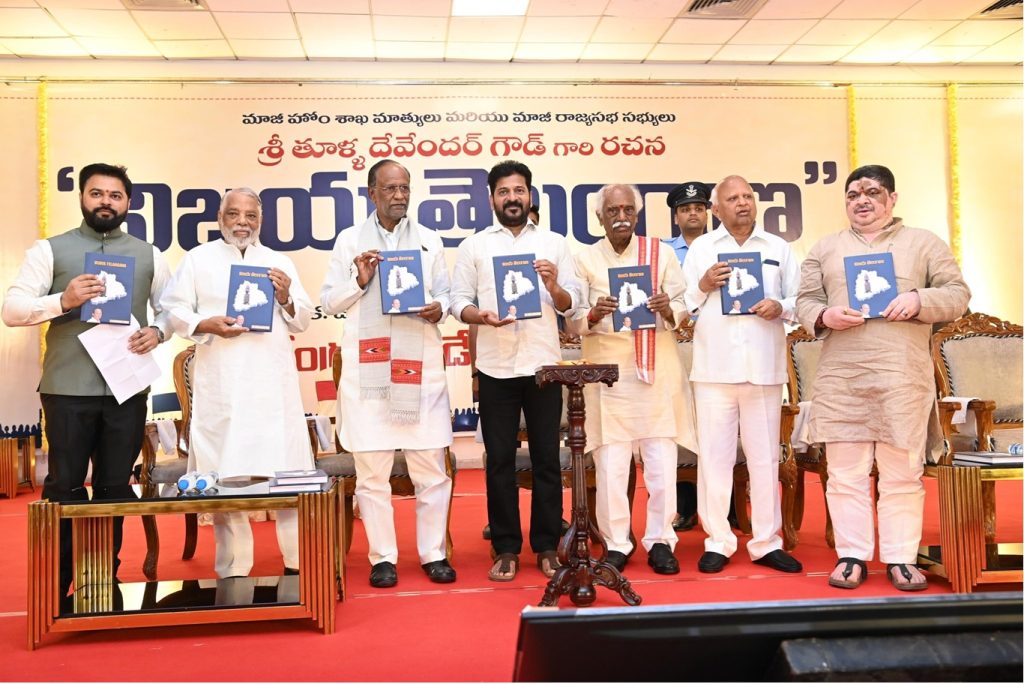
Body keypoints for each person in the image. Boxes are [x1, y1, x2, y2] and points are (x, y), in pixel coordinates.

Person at [796, 164, 970, 591]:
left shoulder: (923, 243)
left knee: (901, 473)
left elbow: (958, 295)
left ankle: (900, 558)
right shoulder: (826, 247)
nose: (862, 200)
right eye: (853, 194)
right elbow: (805, 300)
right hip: (843, 376)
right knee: (845, 473)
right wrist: (823, 315)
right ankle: (851, 556)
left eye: (872, 192)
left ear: (892, 199)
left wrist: (917, 298)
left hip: (901, 376)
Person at [2, 162, 171, 598]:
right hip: (67, 390)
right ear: (82, 198)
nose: (105, 203)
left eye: (115, 196)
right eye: (97, 194)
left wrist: (159, 331)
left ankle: (99, 582)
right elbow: (13, 310)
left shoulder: (149, 253)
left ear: (128, 203)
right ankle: (56, 589)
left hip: (126, 389)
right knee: (64, 487)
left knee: (115, 487)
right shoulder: (50, 250)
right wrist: (63, 299)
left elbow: (172, 309)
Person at [161, 187, 315, 579]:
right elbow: (174, 308)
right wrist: (204, 324)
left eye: (250, 215)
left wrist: (285, 298)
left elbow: (302, 318)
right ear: (220, 217)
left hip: (271, 387)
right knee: (225, 474)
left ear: (260, 221)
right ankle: (233, 568)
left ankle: (298, 563)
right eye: (234, 214)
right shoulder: (198, 260)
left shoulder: (279, 261)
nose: (242, 222)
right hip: (222, 383)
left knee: (285, 474)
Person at [321, 159, 456, 588]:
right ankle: (383, 557)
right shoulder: (348, 241)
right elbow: (330, 302)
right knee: (373, 471)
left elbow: (447, 295)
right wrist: (360, 282)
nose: (399, 196)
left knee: (430, 468)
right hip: (370, 370)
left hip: (421, 369)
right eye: (390, 188)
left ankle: (433, 553)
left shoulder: (430, 240)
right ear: (372, 193)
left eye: (405, 188)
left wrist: (441, 307)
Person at [451, 159, 580, 582]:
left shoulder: (556, 244)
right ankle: (505, 547)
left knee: (546, 459)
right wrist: (480, 316)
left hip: (543, 365)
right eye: (504, 192)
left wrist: (554, 286)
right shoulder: (474, 247)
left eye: (519, 190)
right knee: (499, 461)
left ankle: (545, 545)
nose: (512, 198)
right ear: (492, 198)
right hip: (494, 366)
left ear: (530, 195)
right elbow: (458, 303)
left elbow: (571, 306)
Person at [568, 184, 697, 574]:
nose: (621, 216)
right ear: (600, 217)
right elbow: (572, 318)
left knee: (660, 461)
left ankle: (661, 539)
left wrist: (667, 307)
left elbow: (684, 307)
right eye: (613, 210)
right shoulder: (584, 258)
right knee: (612, 464)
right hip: (607, 373)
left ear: (637, 216)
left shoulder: (660, 254)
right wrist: (593, 313)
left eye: (628, 209)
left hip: (656, 367)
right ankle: (617, 542)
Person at [682, 175, 803, 575]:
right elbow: (682, 307)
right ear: (716, 209)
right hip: (714, 369)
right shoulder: (701, 248)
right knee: (714, 458)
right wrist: (702, 285)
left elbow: (801, 300)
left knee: (765, 458)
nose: (743, 203)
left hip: (764, 368)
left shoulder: (778, 248)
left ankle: (766, 541)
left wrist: (780, 306)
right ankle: (718, 539)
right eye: (732, 198)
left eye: (748, 196)